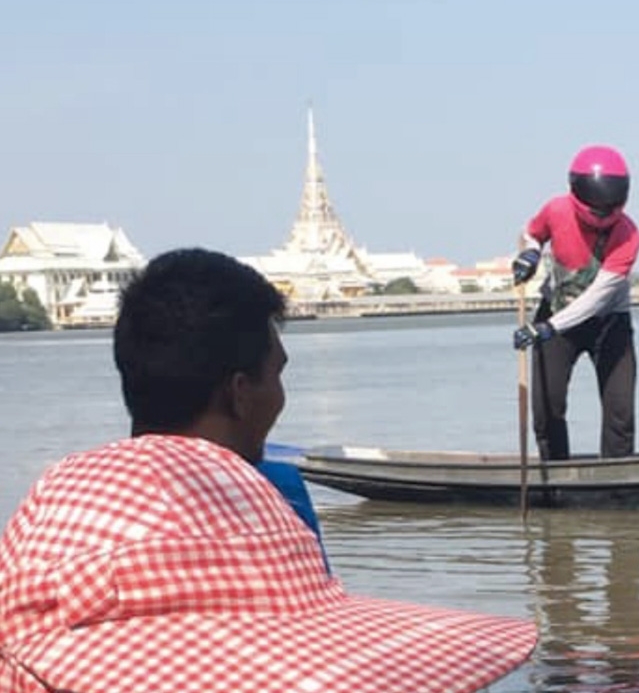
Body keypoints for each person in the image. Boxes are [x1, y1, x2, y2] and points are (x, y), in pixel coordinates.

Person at [0, 248, 536, 693]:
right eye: (276, 372)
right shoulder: (263, 494)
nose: (280, 393)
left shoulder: (60, 502)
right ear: (239, 393)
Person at [511, 144, 639, 460]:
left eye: (610, 205)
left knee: (620, 411)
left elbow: (597, 298)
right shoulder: (556, 210)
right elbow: (530, 233)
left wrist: (546, 329)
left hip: (608, 322)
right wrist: (529, 252)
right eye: (596, 206)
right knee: (547, 408)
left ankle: (617, 482)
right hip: (555, 313)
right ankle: (556, 477)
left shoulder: (629, 235)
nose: (603, 212)